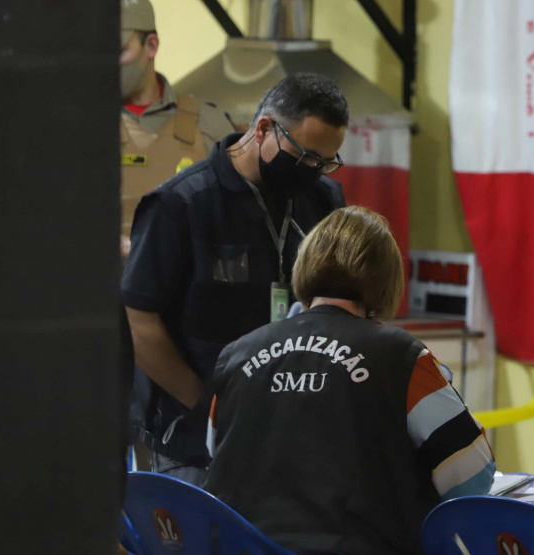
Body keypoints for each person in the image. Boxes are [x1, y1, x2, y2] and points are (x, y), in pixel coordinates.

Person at [205, 206, 495, 555]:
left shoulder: (236, 355)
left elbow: (216, 452)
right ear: (387, 279)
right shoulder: (403, 358)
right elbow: (473, 476)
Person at [122, 72, 349, 486]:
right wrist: (208, 404)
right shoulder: (180, 206)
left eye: (326, 161)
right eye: (304, 157)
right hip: (195, 445)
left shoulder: (323, 200)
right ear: (262, 128)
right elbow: (139, 322)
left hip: (291, 435)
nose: (313, 172)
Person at [119, 0, 236, 259]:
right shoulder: (78, 126)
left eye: (120, 50)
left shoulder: (207, 123)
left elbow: (241, 215)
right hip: (96, 290)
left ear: (151, 46)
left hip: (182, 291)